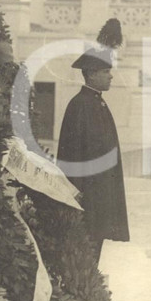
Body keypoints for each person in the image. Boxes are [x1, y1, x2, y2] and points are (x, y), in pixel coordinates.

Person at [56, 46, 131, 267]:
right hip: (87, 194)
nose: (111, 76)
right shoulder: (79, 106)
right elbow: (71, 155)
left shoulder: (97, 102)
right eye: (106, 71)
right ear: (91, 73)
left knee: (95, 245)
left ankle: (89, 289)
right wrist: (75, 194)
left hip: (101, 191)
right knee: (84, 248)